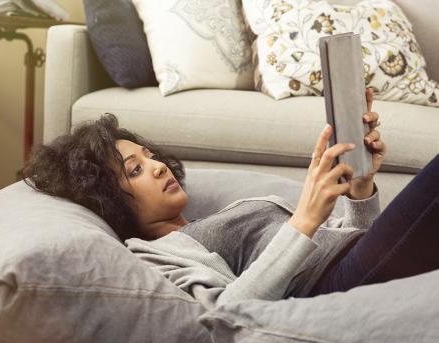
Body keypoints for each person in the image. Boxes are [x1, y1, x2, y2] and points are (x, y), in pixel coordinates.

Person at [23, 89, 438, 304]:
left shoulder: (207, 219)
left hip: (358, 266)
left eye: (149, 157)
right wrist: (305, 220)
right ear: (108, 201)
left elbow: (356, 243)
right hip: (335, 289)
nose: (158, 166)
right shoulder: (153, 254)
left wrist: (360, 185)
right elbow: (231, 310)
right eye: (135, 170)